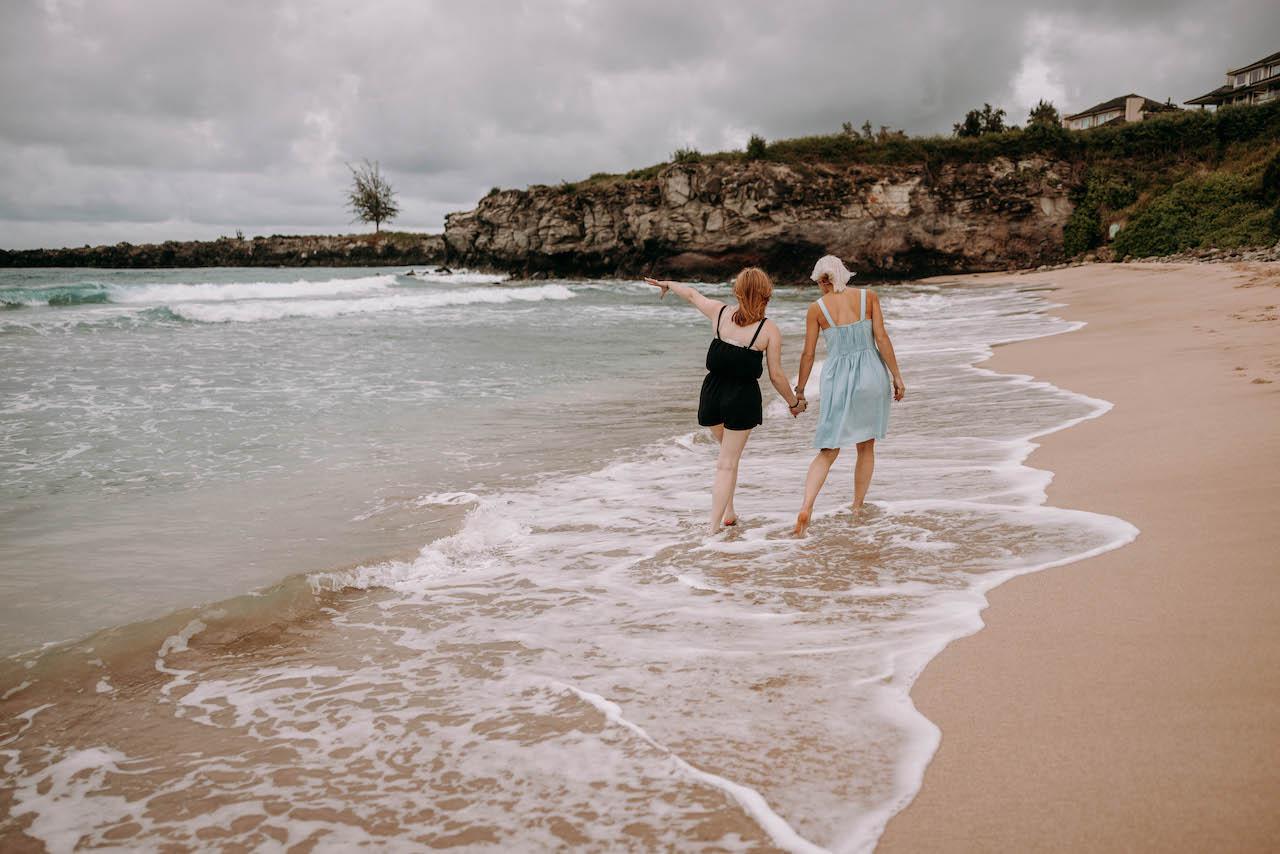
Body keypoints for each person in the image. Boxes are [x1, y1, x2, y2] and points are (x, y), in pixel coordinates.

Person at [644, 268, 804, 532]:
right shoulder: (768, 331)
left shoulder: (720, 313)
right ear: (767, 294)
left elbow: (693, 295)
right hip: (741, 398)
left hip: (712, 395)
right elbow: (776, 375)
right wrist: (794, 403)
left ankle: (728, 513)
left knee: (727, 457)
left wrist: (668, 284)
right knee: (727, 463)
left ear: (737, 291)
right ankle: (712, 528)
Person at [792, 255, 905, 536]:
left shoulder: (816, 309)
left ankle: (807, 506)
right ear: (844, 274)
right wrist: (897, 376)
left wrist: (800, 390)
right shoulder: (869, 297)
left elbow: (808, 354)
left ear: (821, 280)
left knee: (828, 449)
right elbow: (882, 338)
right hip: (871, 375)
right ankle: (856, 507)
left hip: (838, 379)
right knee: (865, 447)